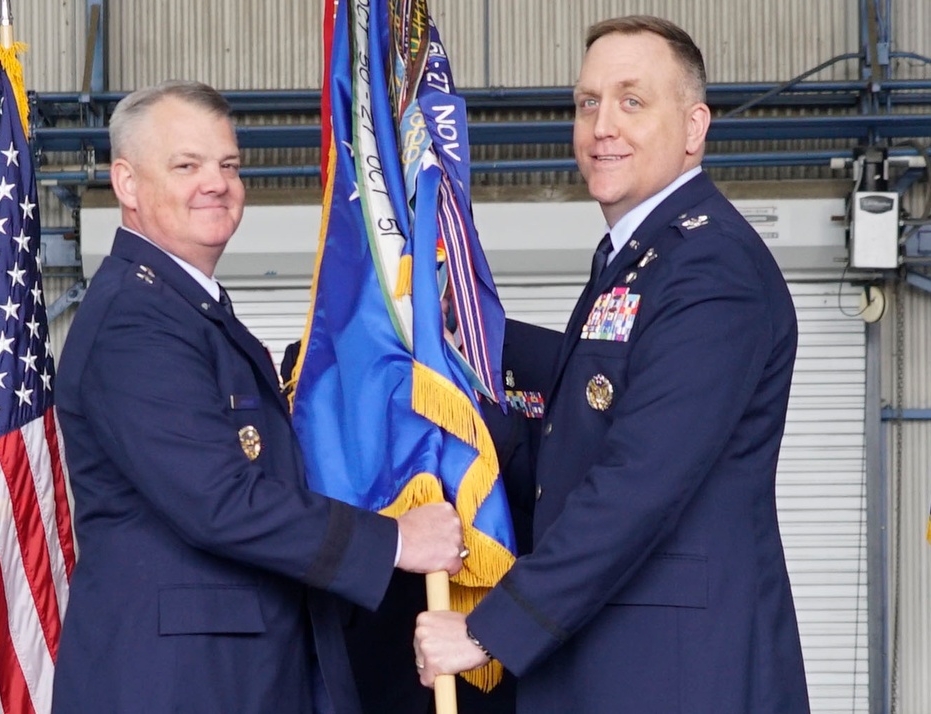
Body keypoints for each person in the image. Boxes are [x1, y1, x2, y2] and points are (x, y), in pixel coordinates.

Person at [414, 15, 811, 714]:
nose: (601, 125)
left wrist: (490, 631)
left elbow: (639, 479)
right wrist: (446, 333)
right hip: (623, 661)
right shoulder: (641, 257)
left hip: (675, 671)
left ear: (692, 128)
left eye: (631, 101)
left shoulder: (711, 265)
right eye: (586, 102)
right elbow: (597, 386)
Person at [52, 80, 466, 714]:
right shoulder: (135, 320)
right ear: (127, 185)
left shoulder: (185, 307)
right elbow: (217, 499)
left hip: (235, 669)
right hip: (181, 683)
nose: (215, 182)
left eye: (228, 165)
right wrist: (395, 541)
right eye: (186, 165)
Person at [279, 318, 556, 714]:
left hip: (504, 646)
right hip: (376, 643)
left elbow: (560, 489)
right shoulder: (324, 351)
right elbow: (319, 487)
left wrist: (457, 386)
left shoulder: (540, 353)